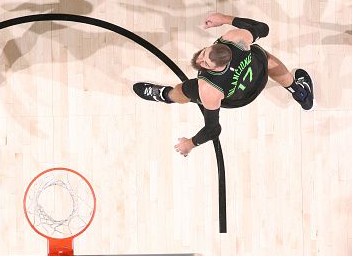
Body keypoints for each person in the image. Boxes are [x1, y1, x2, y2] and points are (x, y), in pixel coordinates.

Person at [133, 12, 314, 157]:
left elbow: (213, 129)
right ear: (221, 44)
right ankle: (300, 93)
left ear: (217, 67)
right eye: (204, 53)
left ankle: (164, 95)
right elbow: (263, 28)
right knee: (263, 57)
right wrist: (224, 18)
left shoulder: (209, 88)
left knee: (186, 89)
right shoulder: (238, 40)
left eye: (205, 64)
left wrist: (190, 143)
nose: (200, 60)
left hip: (237, 97)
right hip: (257, 77)